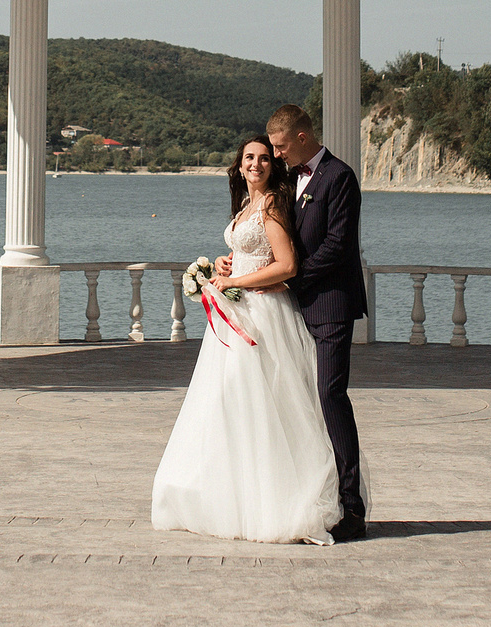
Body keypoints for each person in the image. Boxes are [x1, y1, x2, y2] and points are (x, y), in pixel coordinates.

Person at [148, 136, 343, 545]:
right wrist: (223, 263)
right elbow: (250, 253)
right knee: (229, 402)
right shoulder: (245, 207)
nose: (256, 164)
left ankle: (273, 500)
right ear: (238, 166)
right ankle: (232, 496)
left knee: (263, 401)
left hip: (263, 316)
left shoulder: (272, 204)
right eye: (249, 158)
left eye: (264, 158)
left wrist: (233, 280)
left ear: (273, 166)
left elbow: (287, 265)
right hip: (238, 312)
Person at [266, 103, 370, 541]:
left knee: (330, 395)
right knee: (296, 401)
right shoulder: (288, 179)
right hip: (292, 309)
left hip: (330, 304)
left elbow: (338, 245)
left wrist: (291, 278)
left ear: (303, 138)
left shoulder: (340, 177)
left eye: (281, 147)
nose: (277, 155)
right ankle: (310, 497)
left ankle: (352, 507)